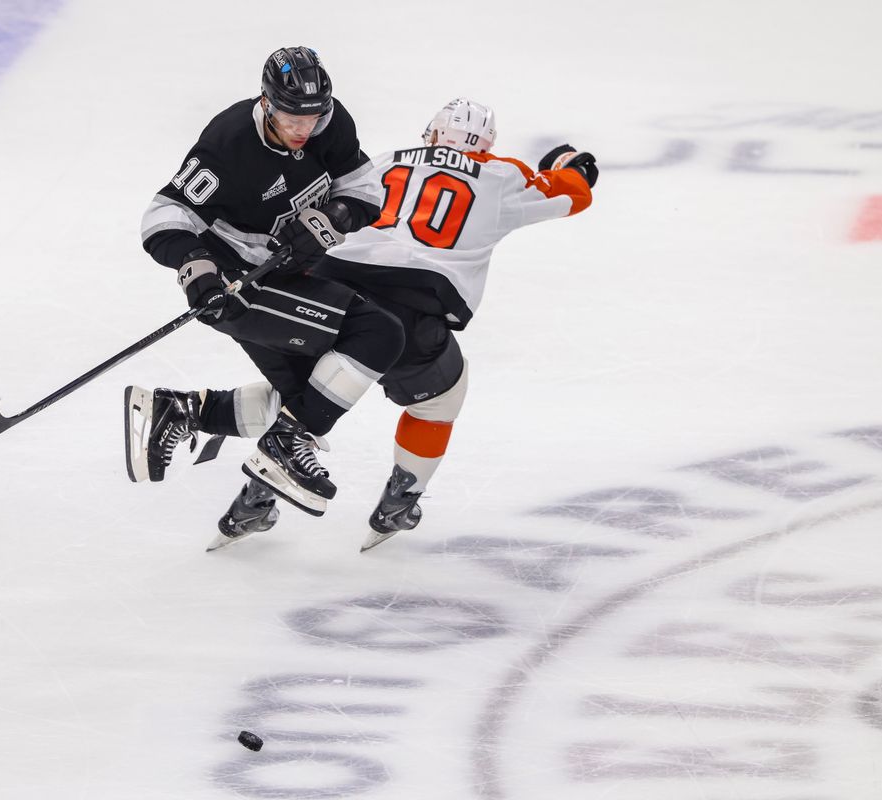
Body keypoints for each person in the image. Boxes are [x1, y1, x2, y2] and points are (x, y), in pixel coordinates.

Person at [131, 96, 598, 552]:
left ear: (433, 133)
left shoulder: (383, 159)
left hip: (334, 286)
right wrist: (571, 163)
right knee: (439, 400)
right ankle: (400, 500)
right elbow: (574, 194)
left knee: (314, 391)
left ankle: (232, 465)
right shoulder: (502, 176)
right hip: (417, 311)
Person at [129, 46, 403, 546]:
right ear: (266, 101)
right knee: (379, 332)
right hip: (238, 285)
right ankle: (278, 452)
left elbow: (365, 190)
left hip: (288, 275)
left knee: (311, 395)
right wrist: (198, 270)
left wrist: (333, 219)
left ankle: (182, 415)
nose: (304, 127)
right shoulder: (228, 145)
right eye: (291, 115)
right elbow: (162, 216)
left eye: (314, 114)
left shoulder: (331, 123)